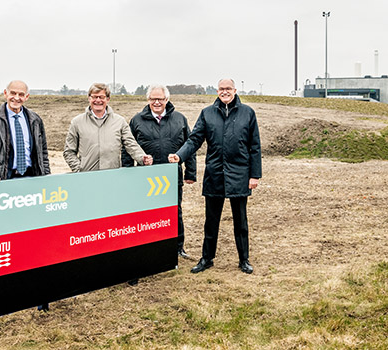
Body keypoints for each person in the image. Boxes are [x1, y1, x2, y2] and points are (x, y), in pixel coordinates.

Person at [0, 80, 51, 311]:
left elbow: (42, 154)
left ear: (27, 97)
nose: (16, 97)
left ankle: (37, 292)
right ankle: (5, 289)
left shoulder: (34, 119)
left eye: (21, 94)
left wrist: (46, 183)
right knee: (4, 240)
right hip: (1, 186)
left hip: (30, 184)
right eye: (12, 93)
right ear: (5, 93)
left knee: (34, 236)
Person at [168, 79, 262, 274]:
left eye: (228, 89)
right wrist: (180, 155)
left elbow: (255, 146)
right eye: (221, 89)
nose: (225, 92)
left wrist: (255, 175)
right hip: (215, 174)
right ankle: (207, 258)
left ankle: (244, 259)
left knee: (240, 221)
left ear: (235, 90)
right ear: (217, 91)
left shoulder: (247, 113)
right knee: (211, 221)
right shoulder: (207, 113)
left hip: (239, 174)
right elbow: (194, 140)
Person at [122, 85, 197, 259]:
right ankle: (149, 246)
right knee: (147, 213)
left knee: (174, 211)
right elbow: (127, 148)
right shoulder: (137, 120)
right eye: (153, 99)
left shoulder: (180, 119)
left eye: (160, 99)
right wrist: (127, 172)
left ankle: (178, 247)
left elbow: (189, 145)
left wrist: (190, 173)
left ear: (166, 100)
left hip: (171, 175)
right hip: (145, 176)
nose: (157, 102)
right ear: (148, 100)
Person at [63, 83, 153, 172]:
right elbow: (69, 151)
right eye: (95, 97)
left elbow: (131, 144)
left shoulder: (119, 122)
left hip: (112, 176)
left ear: (108, 99)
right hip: (87, 178)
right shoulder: (77, 122)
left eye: (101, 97)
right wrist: (79, 170)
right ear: (89, 98)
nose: (98, 100)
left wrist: (142, 157)